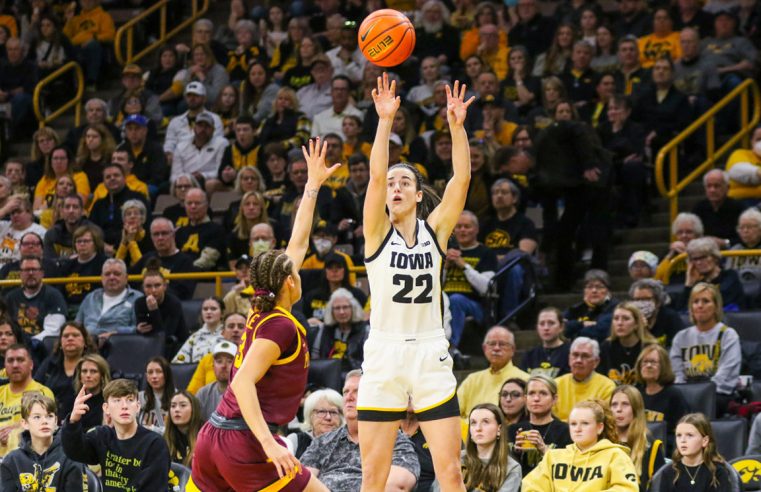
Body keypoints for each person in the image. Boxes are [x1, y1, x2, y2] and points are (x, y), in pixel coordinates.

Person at [189, 136, 340, 491]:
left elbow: (298, 242)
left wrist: (313, 186)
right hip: (243, 441)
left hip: (213, 437)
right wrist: (270, 443)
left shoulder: (266, 308)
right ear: (290, 281)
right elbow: (241, 383)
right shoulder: (282, 328)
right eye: (297, 272)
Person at [357, 74, 474, 491]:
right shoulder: (375, 233)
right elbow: (374, 178)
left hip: (430, 352)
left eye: (405, 181)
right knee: (373, 478)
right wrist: (385, 121)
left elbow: (460, 182)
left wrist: (457, 128)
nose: (396, 187)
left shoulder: (435, 232)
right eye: (392, 183)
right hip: (385, 352)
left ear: (420, 195)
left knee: (451, 474)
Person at [300, 370, 420, 490]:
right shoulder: (323, 442)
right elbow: (302, 481)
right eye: (345, 392)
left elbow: (397, 485)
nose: (349, 397)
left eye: (357, 391)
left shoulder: (394, 441)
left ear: (374, 398)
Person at [63, 379, 171, 490]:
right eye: (117, 400)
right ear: (106, 408)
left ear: (138, 407)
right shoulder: (103, 436)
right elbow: (75, 452)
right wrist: (73, 421)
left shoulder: (155, 444)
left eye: (130, 400)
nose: (124, 406)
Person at [522, 399, 639, 491]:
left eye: (585, 423)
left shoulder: (616, 455)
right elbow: (531, 487)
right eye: (573, 424)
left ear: (599, 428)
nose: (577, 429)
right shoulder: (552, 457)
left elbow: (627, 489)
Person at [670, 282, 741, 414]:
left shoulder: (728, 335)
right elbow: (677, 375)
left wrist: (701, 393)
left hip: (718, 395)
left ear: (716, 307)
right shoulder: (681, 337)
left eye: (706, 301)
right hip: (685, 394)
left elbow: (725, 375)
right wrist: (685, 392)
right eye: (695, 301)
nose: (700, 306)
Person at [0, 393, 85, 491]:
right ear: (25, 423)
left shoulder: (71, 457)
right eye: (37, 417)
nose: (44, 421)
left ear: (55, 421)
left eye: (49, 416)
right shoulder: (11, 461)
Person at [457, 326, 529, 418]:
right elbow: (454, 412)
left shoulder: (525, 379)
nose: (496, 348)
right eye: (492, 344)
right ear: (484, 348)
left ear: (513, 349)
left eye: (502, 344)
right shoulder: (472, 379)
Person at [509, 375, 572, 477]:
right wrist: (515, 453)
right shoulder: (511, 430)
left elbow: (569, 469)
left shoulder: (567, 431)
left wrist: (543, 449)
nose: (536, 398)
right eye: (531, 393)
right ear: (525, 399)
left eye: (543, 393)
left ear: (554, 399)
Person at [33, 321, 95, 421]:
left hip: (85, 421)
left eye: (75, 335)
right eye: (66, 336)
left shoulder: (94, 365)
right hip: (49, 420)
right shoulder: (49, 363)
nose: (70, 338)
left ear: (85, 342)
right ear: (60, 343)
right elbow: (34, 389)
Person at [0, 344, 55, 457]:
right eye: (10, 361)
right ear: (5, 366)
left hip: (28, 460)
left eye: (20, 360)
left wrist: (14, 429)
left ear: (31, 365)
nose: (15, 365)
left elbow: (46, 428)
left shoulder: (42, 392)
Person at [658, 413, 733, 491]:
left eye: (689, 435)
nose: (683, 440)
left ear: (705, 441)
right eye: (679, 435)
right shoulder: (669, 472)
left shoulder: (717, 472)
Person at [610, 385, 666, 490]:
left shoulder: (651, 447)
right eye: (614, 404)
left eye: (625, 404)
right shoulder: (602, 443)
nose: (618, 409)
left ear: (636, 409)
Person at [75, 259, 141, 342]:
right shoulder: (91, 297)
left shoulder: (137, 298)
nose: (112, 277)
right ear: (102, 278)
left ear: (126, 278)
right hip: (86, 347)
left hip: (119, 346)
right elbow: (77, 325)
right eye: (107, 274)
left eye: (117, 274)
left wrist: (115, 334)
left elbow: (139, 328)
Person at [553, 337, 616, 421]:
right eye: (575, 355)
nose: (578, 360)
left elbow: (603, 420)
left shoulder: (607, 387)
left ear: (596, 362)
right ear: (569, 358)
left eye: (585, 356)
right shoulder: (556, 384)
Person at [5, 256, 66, 341]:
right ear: (20, 274)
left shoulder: (54, 296)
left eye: (34, 269)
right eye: (26, 270)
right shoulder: (11, 297)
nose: (30, 273)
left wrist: (31, 342)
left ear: (42, 273)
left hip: (41, 345)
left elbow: (53, 331)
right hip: (15, 345)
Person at [309, 288, 368, 376]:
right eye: (337, 308)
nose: (341, 312)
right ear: (331, 311)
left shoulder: (365, 330)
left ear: (353, 308)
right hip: (328, 377)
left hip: (356, 378)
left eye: (345, 307)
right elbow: (315, 358)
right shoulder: (324, 330)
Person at [462, 403, 522, 491]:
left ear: (499, 429)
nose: (478, 428)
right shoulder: (455, 459)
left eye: (485, 422)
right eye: (473, 423)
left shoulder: (511, 467)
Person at [674, 237, 744, 311]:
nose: (699, 262)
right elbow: (681, 310)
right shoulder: (697, 284)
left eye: (703, 257)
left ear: (715, 257)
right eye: (695, 259)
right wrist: (689, 284)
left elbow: (719, 301)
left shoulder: (730, 276)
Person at [635, 344, 690, 434]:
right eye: (645, 362)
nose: (648, 365)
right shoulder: (636, 394)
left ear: (663, 366)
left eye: (653, 362)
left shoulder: (674, 395)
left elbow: (683, 429)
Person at [186, 312, 246, 394]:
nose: (235, 330)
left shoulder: (254, 359)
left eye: (241, 327)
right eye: (231, 326)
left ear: (248, 332)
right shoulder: (208, 359)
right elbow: (191, 394)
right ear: (222, 333)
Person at [134, 268, 188, 358]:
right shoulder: (139, 303)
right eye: (148, 286)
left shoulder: (174, 303)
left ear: (165, 286)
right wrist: (138, 330)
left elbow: (164, 335)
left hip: (175, 347)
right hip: (149, 345)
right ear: (143, 288)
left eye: (157, 285)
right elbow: (144, 328)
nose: (153, 290)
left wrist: (154, 310)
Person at [598, 303, 657, 385]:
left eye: (625, 319)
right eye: (616, 318)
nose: (620, 323)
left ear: (636, 324)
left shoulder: (650, 348)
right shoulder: (606, 346)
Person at [285, 389, 344, 458]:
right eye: (321, 411)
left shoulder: (348, 442)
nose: (328, 417)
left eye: (333, 412)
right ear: (310, 415)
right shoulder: (295, 440)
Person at [691, 169, 744, 246]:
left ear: (727, 188)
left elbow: (746, 237)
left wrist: (725, 242)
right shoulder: (699, 208)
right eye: (709, 186)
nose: (712, 190)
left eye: (717, 186)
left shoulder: (739, 208)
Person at [564, 269, 619, 341]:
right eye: (589, 287)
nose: (594, 291)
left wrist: (574, 329)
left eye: (599, 287)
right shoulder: (577, 308)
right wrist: (582, 324)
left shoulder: (615, 307)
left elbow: (601, 331)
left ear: (608, 290)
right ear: (584, 291)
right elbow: (560, 327)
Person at [520, 307, 571, 378]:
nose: (546, 328)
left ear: (561, 327)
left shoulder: (571, 353)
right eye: (542, 324)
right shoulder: (529, 355)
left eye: (551, 323)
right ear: (537, 328)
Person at [172, 297, 224, 364]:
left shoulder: (228, 334)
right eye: (205, 309)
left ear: (222, 313)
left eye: (213, 309)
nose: (208, 312)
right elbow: (178, 362)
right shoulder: (195, 337)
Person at [195, 341, 236, 421]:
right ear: (213, 366)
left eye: (229, 361)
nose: (223, 366)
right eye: (219, 361)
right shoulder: (203, 393)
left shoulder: (245, 393)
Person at [164, 391, 201, 466]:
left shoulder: (205, 435)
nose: (176, 410)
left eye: (183, 405)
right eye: (173, 406)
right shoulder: (165, 438)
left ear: (193, 409)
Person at [138, 356, 175, 433]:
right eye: (150, 372)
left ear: (166, 374)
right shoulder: (139, 397)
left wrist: (152, 429)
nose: (154, 376)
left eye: (158, 371)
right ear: (146, 377)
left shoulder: (178, 398)